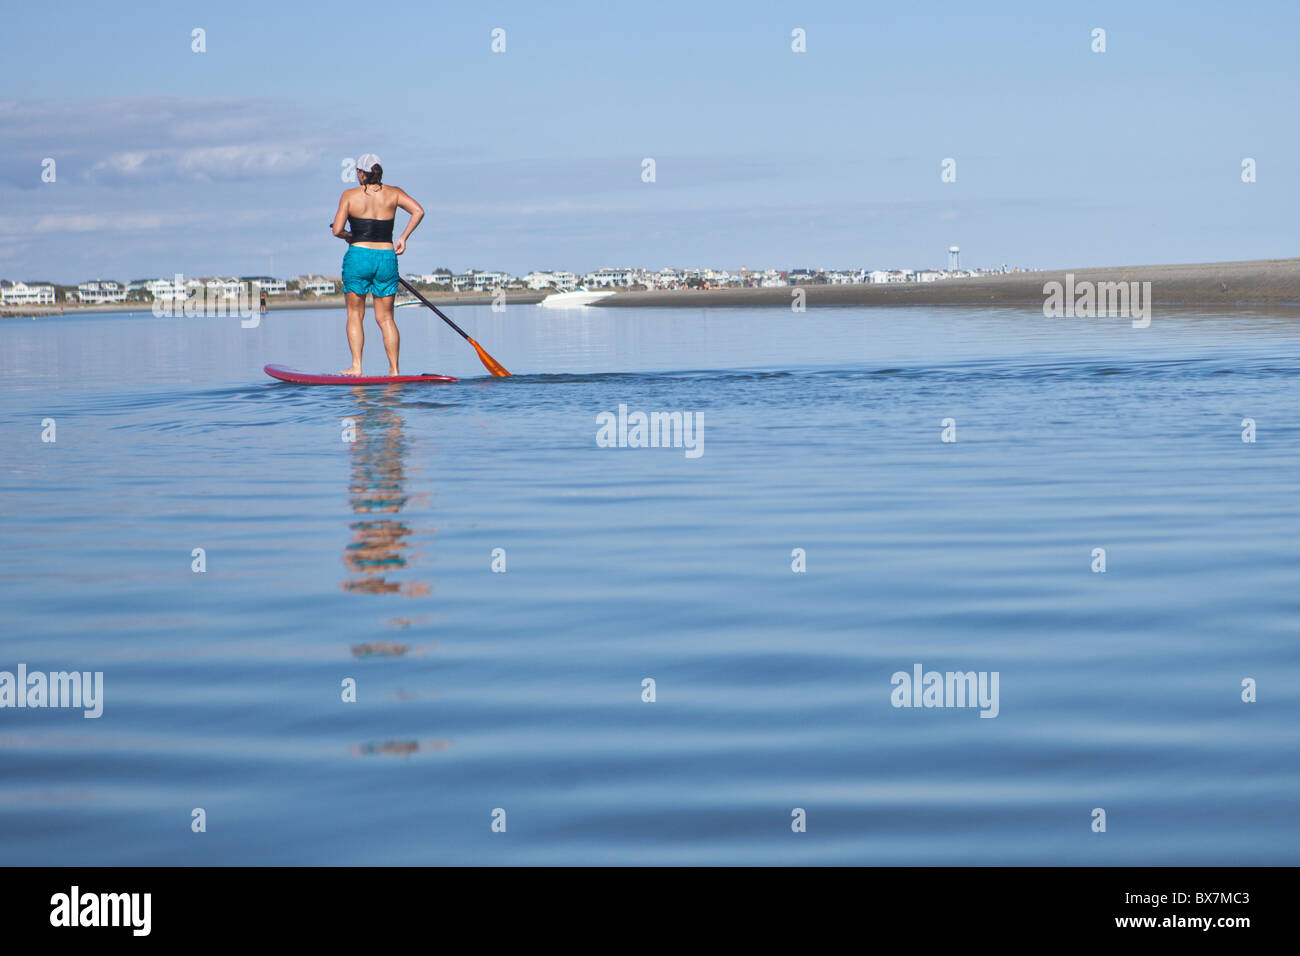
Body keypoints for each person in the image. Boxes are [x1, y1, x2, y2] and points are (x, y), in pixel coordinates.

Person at [331, 154, 424, 376]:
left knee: (355, 314)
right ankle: (394, 370)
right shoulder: (394, 193)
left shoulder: (350, 196)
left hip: (359, 257)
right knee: (386, 318)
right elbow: (418, 211)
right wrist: (403, 237)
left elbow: (336, 229)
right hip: (386, 257)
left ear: (362, 173)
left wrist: (348, 236)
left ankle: (356, 367)